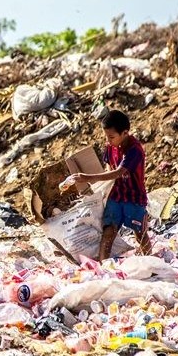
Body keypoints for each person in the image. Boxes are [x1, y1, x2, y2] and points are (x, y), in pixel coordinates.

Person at [59, 110, 151, 260]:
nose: (108, 141)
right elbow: (109, 170)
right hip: (116, 196)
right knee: (109, 231)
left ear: (125, 133)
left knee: (140, 232)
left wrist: (86, 177)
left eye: (112, 137)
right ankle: (104, 266)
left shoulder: (134, 150)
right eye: (106, 136)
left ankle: (151, 262)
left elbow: (117, 172)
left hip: (134, 198)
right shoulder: (110, 147)